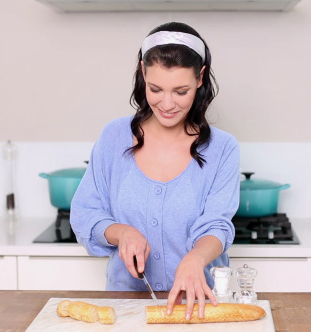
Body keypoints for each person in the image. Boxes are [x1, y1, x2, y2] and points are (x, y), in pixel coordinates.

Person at [70, 22, 240, 320]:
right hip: (124, 307)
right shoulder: (114, 136)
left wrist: (195, 259)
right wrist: (121, 232)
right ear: (143, 73)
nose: (167, 103)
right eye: (156, 89)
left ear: (200, 78)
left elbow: (217, 225)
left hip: (197, 306)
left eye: (181, 91)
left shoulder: (222, 148)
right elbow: (86, 212)